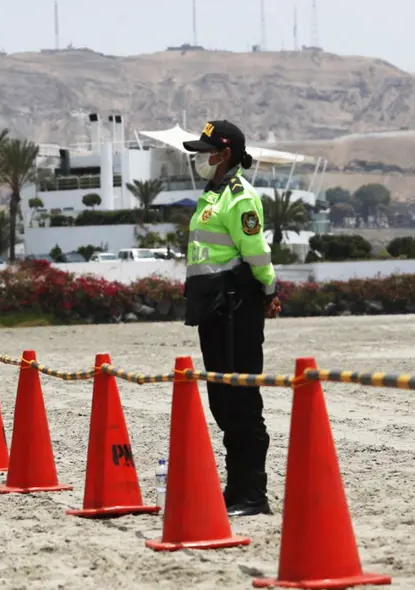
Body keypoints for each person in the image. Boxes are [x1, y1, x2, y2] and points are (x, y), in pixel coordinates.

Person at [182, 119, 283, 518]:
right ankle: (235, 488)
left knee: (242, 401)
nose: (199, 159)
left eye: (205, 152)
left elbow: (256, 252)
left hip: (236, 308)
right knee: (222, 402)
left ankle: (253, 494)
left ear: (224, 154)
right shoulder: (213, 195)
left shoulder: (240, 198)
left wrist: (269, 292)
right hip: (212, 310)